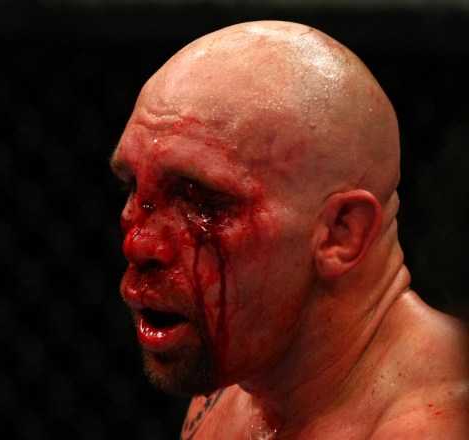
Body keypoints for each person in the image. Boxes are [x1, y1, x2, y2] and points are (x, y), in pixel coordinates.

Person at [109, 21, 469, 439]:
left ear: (341, 232)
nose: (139, 243)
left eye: (201, 201)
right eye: (132, 186)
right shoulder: (241, 386)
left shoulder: (437, 424)